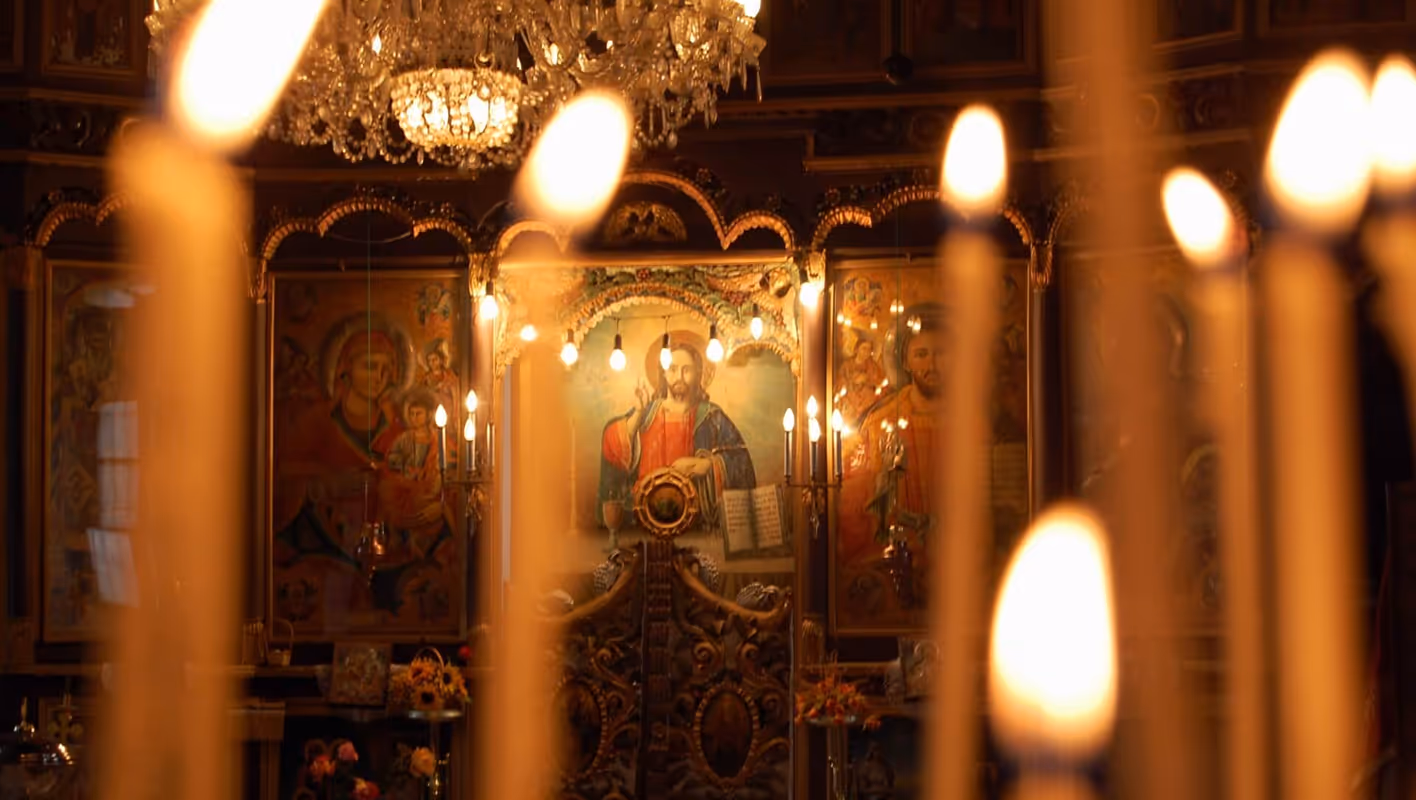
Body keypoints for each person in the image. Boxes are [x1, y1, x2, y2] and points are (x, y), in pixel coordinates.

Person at [598, 333, 755, 525]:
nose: (679, 377)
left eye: (686, 370)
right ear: (663, 373)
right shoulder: (646, 412)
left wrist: (707, 465)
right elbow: (613, 446)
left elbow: (741, 460)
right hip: (643, 513)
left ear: (698, 374)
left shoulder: (711, 417)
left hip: (692, 516)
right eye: (672, 369)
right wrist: (638, 413)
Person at [838, 304, 948, 566]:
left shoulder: (972, 419)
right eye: (921, 354)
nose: (932, 365)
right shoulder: (881, 422)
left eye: (942, 353)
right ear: (906, 361)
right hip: (899, 554)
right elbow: (861, 501)